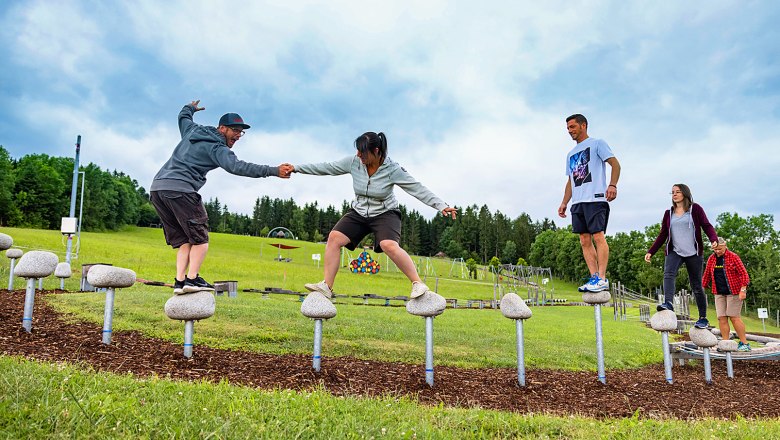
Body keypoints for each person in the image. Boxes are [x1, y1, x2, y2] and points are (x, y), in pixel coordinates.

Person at [289, 132, 457, 299]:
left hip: (385, 212)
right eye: (357, 151)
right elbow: (327, 167)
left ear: (376, 151)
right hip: (359, 211)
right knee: (334, 238)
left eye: (363, 152)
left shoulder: (392, 169)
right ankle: (326, 286)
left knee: (388, 245)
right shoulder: (354, 162)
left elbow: (417, 188)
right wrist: (296, 168)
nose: (358, 155)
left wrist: (441, 205)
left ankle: (418, 284)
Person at [150, 100, 292, 295]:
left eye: (241, 132)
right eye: (234, 130)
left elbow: (183, 118)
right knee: (200, 238)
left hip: (158, 189)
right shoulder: (217, 148)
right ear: (222, 128)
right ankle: (192, 279)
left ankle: (180, 281)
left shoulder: (193, 131)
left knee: (185, 240)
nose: (238, 136)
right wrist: (274, 170)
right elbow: (238, 167)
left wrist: (190, 107)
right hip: (181, 189)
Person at [557, 114, 621, 293]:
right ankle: (593, 278)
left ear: (583, 125)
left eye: (572, 127)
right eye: (568, 128)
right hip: (578, 202)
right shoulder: (570, 155)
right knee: (584, 240)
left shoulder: (597, 143)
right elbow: (571, 180)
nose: (570, 131)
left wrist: (613, 185)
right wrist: (564, 202)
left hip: (596, 198)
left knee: (598, 236)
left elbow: (615, 165)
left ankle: (602, 278)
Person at [645, 184, 718, 329]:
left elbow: (706, 225)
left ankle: (703, 318)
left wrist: (713, 239)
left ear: (685, 193)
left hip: (693, 253)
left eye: (677, 192)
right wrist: (651, 251)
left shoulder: (695, 209)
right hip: (675, 251)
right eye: (672, 192)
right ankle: (668, 303)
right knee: (668, 273)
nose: (674, 194)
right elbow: (663, 234)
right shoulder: (669, 213)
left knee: (697, 285)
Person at [702, 238, 751, 351]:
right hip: (719, 292)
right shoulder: (711, 259)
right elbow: (707, 275)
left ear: (725, 246)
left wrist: (743, 290)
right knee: (721, 318)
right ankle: (725, 343)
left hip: (734, 292)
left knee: (734, 317)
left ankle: (744, 343)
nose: (717, 251)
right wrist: (702, 287)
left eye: (719, 249)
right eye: (715, 249)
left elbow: (744, 274)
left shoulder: (733, 257)